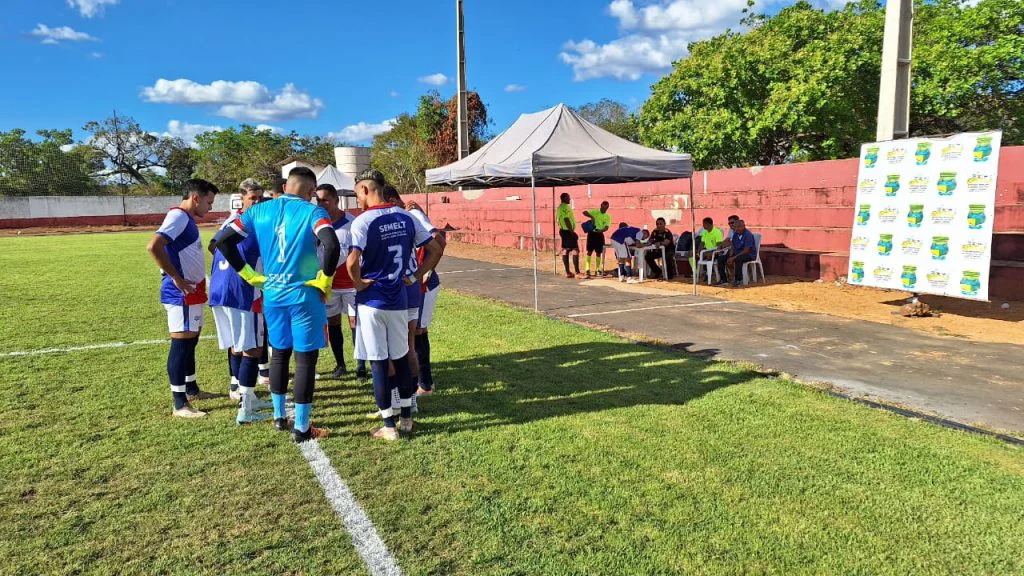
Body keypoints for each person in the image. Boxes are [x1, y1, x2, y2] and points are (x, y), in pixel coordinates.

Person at [214, 166, 341, 443]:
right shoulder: (313, 212)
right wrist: (325, 280)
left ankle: (279, 417)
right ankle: (303, 427)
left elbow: (222, 242)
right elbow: (331, 246)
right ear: (310, 192)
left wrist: (248, 274)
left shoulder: (258, 211)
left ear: (285, 186)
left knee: (279, 354)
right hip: (304, 296)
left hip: (273, 294)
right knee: (306, 358)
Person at [347, 169, 442, 441]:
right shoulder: (406, 217)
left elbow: (353, 262)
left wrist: (359, 283)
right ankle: (407, 418)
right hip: (400, 299)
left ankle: (388, 425)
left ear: (365, 190)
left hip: (373, 301)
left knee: (378, 361)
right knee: (402, 357)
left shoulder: (363, 221)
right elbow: (435, 249)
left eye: (357, 194)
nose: (358, 200)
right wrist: (413, 276)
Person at [146, 178, 219, 418]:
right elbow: (154, 246)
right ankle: (180, 404)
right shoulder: (178, 216)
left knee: (191, 341)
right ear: (195, 198)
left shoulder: (186, 219)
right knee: (181, 343)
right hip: (181, 292)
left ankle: (191, 388)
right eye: (209, 202)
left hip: (193, 290)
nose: (210, 208)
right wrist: (176, 277)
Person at [209, 178, 274, 423]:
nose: (257, 202)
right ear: (242, 198)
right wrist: (248, 273)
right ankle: (246, 410)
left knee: (238, 344)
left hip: (220, 289)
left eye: (259, 198)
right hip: (243, 291)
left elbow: (214, 245)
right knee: (253, 349)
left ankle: (241, 392)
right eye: (252, 198)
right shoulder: (256, 223)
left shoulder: (231, 221)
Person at [314, 183, 356, 380]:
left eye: (325, 200)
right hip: (329, 285)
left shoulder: (352, 222)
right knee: (333, 324)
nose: (321, 204)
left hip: (351, 285)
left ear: (336, 200)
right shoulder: (315, 223)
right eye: (318, 200)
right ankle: (340, 364)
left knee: (356, 324)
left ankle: (362, 365)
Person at [717, 219, 757, 287]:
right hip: (737, 253)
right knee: (721, 258)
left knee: (738, 259)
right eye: (735, 227)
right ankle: (723, 280)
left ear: (743, 226)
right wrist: (730, 255)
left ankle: (738, 280)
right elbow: (733, 246)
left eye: (738, 227)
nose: (736, 229)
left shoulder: (748, 235)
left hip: (749, 254)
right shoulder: (735, 234)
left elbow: (746, 250)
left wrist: (734, 257)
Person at [582, 201, 611, 277]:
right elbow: (584, 212)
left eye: (606, 208)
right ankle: (587, 270)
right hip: (592, 233)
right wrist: (591, 217)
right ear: (601, 205)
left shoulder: (607, 216)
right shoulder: (594, 212)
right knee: (589, 251)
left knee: (598, 252)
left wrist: (601, 230)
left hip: (599, 234)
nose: (604, 209)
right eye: (604, 207)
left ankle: (597, 270)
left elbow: (606, 227)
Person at [556, 193, 581, 278]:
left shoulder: (561, 207)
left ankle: (568, 272)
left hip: (564, 230)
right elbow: (566, 219)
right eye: (568, 198)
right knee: (575, 250)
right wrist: (572, 232)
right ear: (564, 198)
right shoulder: (564, 207)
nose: (569, 199)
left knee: (565, 249)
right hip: (567, 231)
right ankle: (577, 273)